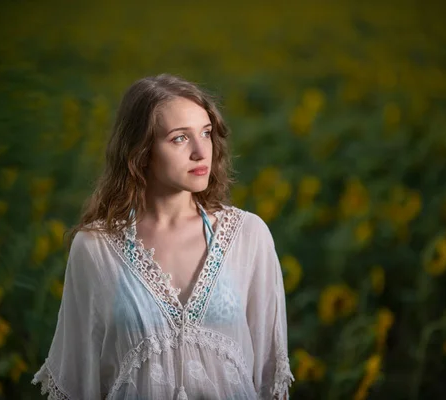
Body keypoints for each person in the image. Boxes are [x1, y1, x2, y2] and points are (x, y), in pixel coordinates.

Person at [32, 74, 294, 400]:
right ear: (140, 151)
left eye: (206, 133)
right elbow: (80, 381)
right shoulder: (96, 248)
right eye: (179, 139)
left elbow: (270, 379)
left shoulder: (248, 236)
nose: (201, 152)